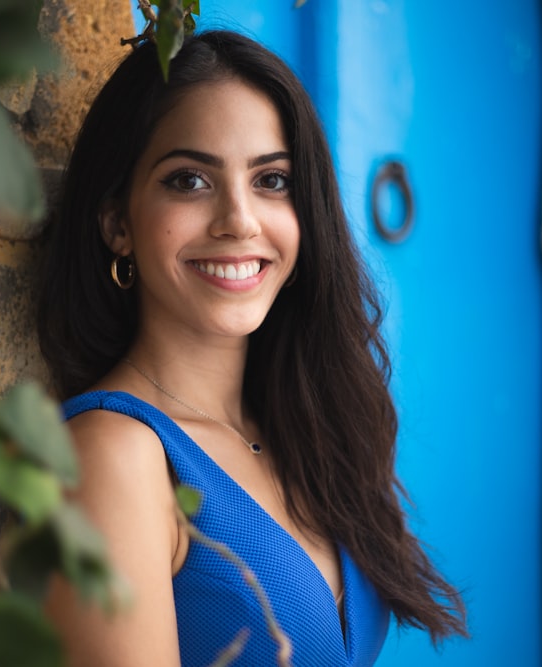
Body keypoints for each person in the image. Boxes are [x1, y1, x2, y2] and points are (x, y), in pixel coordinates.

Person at [37, 29, 466, 666]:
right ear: (118, 223)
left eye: (271, 180)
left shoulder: (303, 430)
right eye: (188, 180)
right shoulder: (114, 457)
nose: (240, 219)